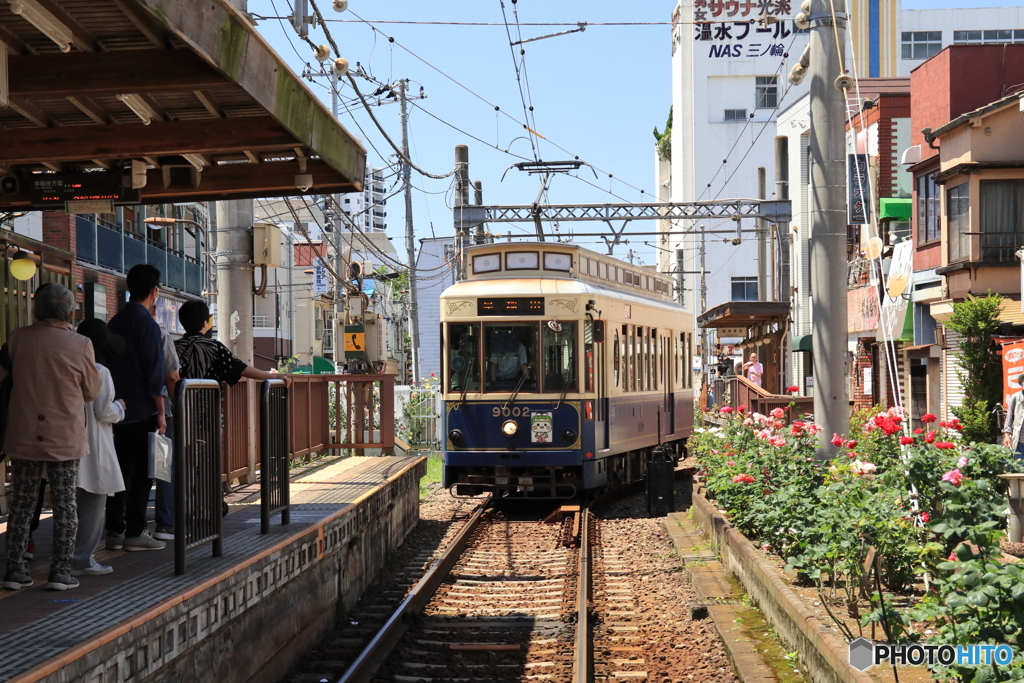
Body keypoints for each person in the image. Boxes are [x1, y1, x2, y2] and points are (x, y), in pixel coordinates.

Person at [1, 284, 102, 591]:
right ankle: (60, 572)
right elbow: (91, 391)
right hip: (64, 434)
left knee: (22, 504)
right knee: (64, 503)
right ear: (69, 312)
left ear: (37, 309)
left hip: (24, 433)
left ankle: (14, 570)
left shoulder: (17, 339)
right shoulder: (81, 343)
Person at [105, 264, 167, 552]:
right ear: (154, 292)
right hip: (142, 410)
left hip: (114, 410)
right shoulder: (148, 325)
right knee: (144, 472)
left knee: (118, 471)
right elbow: (155, 373)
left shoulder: (114, 322)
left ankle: (114, 530)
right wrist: (162, 411)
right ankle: (136, 530)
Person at [72, 319, 126, 576]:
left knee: (70, 506)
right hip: (96, 445)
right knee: (93, 506)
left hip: (69, 443)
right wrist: (121, 408)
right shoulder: (100, 370)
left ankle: (65, 558)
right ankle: (82, 558)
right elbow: (105, 411)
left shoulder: (68, 366)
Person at [175, 300, 292, 388]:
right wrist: (274, 376)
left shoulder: (174, 347)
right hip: (209, 410)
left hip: (179, 410)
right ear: (205, 323)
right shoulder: (214, 347)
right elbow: (241, 369)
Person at [149, 303, 180, 542]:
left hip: (123, 412)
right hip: (161, 413)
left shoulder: (117, 327)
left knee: (132, 469)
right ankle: (165, 522)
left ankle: (122, 527)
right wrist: (173, 409)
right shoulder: (159, 333)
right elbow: (171, 375)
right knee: (164, 467)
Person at [1003, 373, 1024, 460]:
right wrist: (1007, 435)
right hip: (1020, 440)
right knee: (1020, 469)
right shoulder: (1016, 397)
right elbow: (1009, 417)